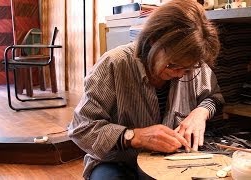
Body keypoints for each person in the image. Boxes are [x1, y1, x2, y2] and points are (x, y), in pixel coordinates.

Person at [68, 0, 224, 179]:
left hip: (171, 161)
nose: (181, 75)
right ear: (153, 41)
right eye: (173, 66)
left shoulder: (191, 63)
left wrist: (201, 112)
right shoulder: (114, 64)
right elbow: (82, 129)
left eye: (188, 69)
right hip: (119, 161)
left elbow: (214, 97)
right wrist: (135, 136)